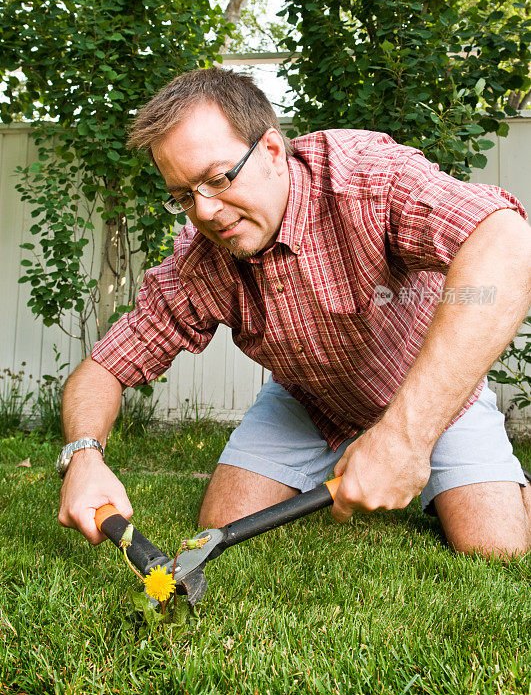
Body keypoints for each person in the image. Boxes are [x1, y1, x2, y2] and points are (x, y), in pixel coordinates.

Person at [58, 67, 531, 558]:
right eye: (183, 195)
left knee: (495, 547)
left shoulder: (364, 178)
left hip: (432, 394)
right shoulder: (199, 260)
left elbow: (507, 241)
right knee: (223, 525)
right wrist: (83, 456)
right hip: (312, 400)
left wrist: (404, 435)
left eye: (217, 179)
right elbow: (102, 369)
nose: (204, 212)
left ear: (271, 151)